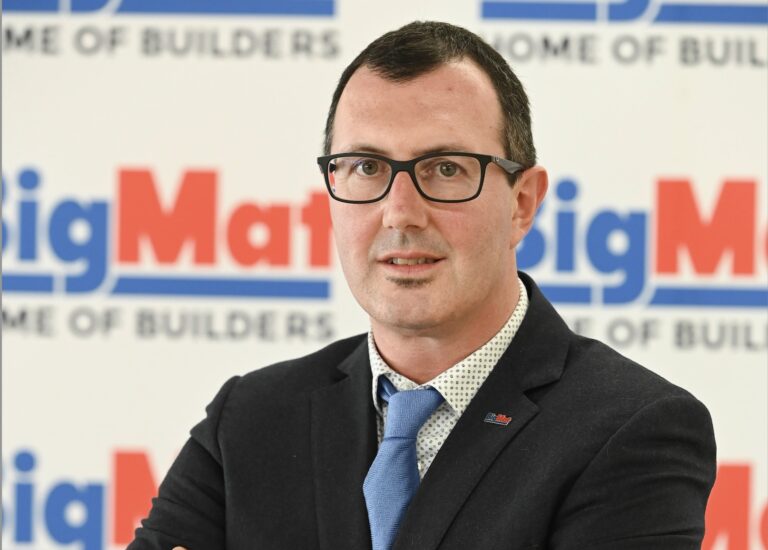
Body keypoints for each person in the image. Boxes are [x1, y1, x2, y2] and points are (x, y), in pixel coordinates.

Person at [128, 21, 716, 550]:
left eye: (446, 168)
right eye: (366, 167)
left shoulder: (634, 429)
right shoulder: (250, 419)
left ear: (522, 203)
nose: (400, 212)